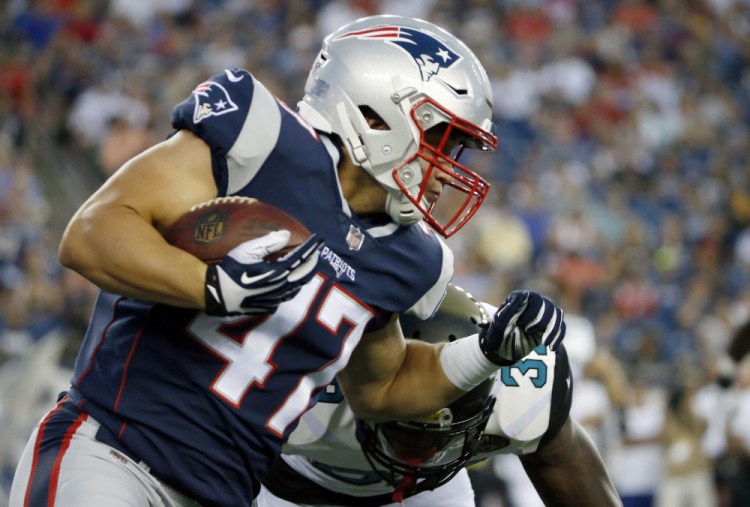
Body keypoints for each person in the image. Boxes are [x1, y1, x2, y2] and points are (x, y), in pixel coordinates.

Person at [9, 15, 566, 507]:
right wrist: (211, 286)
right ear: (376, 113)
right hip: (112, 451)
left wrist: (487, 352)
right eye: (441, 139)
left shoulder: (410, 257)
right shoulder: (262, 143)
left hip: (225, 492)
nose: (448, 168)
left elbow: (380, 388)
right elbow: (93, 232)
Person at [258, 285, 621, 507]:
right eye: (409, 433)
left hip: (428, 495)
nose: (422, 452)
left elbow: (561, 456)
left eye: (434, 438)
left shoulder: (523, 383)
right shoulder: (308, 381)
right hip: (296, 490)